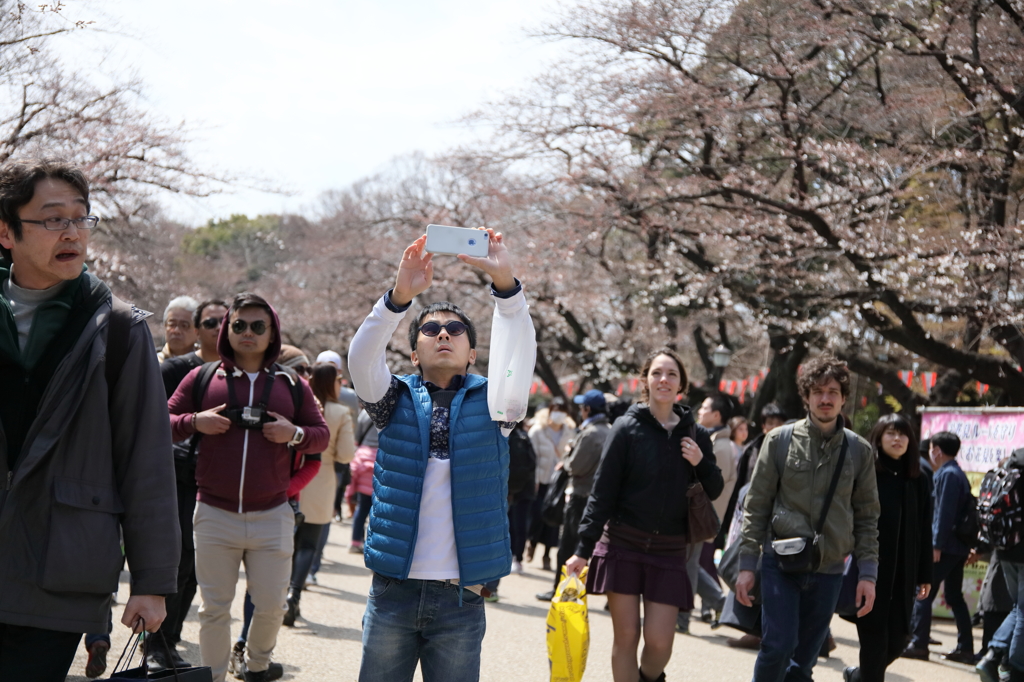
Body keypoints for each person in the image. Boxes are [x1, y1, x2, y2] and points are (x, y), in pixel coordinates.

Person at [0, 158, 180, 681]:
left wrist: (151, 581)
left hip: (59, 572)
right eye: (53, 218)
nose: (72, 232)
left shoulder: (119, 329)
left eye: (81, 218)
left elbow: (146, 461)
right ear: (6, 232)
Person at [347, 228, 535, 682]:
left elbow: (520, 352)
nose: (444, 334)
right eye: (431, 330)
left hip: (461, 595)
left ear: (473, 354)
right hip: (393, 589)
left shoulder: (498, 404)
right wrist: (398, 298)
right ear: (414, 353)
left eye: (456, 330)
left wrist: (506, 286)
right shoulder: (392, 398)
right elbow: (361, 360)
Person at [167, 292, 330, 682]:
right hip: (213, 511)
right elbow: (161, 421)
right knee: (213, 609)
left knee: (272, 605)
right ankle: (214, 676)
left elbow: (320, 436)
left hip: (272, 513)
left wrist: (293, 434)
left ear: (272, 332)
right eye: (239, 325)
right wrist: (195, 422)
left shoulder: (292, 384)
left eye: (258, 326)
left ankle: (257, 665)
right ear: (227, 329)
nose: (248, 333)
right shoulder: (203, 377)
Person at [564, 348, 723, 682]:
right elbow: (602, 492)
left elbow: (716, 488)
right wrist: (582, 549)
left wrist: (701, 462)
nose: (664, 379)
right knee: (626, 637)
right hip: (623, 543)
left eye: (671, 374)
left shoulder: (696, 434)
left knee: (660, 643)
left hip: (669, 549)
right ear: (646, 381)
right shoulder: (625, 427)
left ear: (681, 385)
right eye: (656, 373)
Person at [736, 354, 880, 682]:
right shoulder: (779, 440)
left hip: (830, 568)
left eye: (832, 392)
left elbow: (868, 516)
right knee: (778, 645)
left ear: (844, 398)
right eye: (817, 391)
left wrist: (868, 574)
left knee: (803, 662)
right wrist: (746, 565)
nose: (825, 398)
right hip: (780, 562)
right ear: (806, 397)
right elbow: (756, 505)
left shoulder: (859, 451)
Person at [151, 297, 229, 671]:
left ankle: (169, 639)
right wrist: (194, 422)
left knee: (199, 567)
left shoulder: (237, 375)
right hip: (176, 476)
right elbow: (152, 421)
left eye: (225, 322)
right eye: (210, 322)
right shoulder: (175, 369)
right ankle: (157, 643)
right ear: (198, 329)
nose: (218, 328)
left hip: (217, 481)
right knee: (177, 562)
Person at [843, 413, 933, 682]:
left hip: (904, 574)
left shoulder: (918, 478)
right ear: (879, 438)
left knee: (898, 641)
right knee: (874, 640)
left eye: (903, 434)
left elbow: (924, 528)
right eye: (890, 433)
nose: (897, 439)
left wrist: (925, 574)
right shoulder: (867, 472)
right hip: (871, 570)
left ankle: (857, 676)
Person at [283, 361, 355, 626]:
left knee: (287, 543)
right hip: (321, 482)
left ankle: (279, 593)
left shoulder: (299, 404)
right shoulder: (340, 412)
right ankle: (293, 595)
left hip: (291, 478)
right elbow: (346, 454)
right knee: (308, 544)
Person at [903, 430, 975, 662]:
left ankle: (919, 644)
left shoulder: (948, 475)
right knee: (954, 596)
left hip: (945, 547)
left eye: (932, 448)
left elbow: (944, 513)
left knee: (923, 592)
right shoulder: (955, 473)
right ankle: (965, 648)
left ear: (937, 451)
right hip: (957, 547)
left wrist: (935, 545)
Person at [537, 389, 613, 601]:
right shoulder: (609, 431)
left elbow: (575, 467)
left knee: (568, 548)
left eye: (582, 407)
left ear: (587, 409)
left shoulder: (590, 434)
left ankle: (561, 591)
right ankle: (575, 592)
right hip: (598, 498)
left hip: (580, 496)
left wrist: (567, 456)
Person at [677, 393, 733, 632]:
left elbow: (713, 487)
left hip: (700, 516)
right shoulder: (714, 439)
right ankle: (720, 603)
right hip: (698, 515)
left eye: (706, 408)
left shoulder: (721, 445)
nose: (700, 410)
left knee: (689, 565)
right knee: (688, 563)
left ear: (716, 415)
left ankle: (683, 616)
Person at [976, 447, 1024, 682]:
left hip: (1005, 549)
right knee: (1022, 611)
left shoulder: (1013, 464)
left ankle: (993, 655)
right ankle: (1014, 669)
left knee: (1019, 608)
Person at [527, 397, 575, 570]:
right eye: (556, 410)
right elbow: (530, 458)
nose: (558, 414)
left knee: (554, 519)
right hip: (540, 481)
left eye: (562, 411)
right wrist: (533, 480)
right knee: (537, 516)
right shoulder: (538, 430)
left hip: (559, 483)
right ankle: (532, 543)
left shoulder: (570, 432)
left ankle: (547, 554)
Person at [345, 410, 378, 553]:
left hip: (363, 460)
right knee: (377, 512)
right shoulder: (393, 410)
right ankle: (372, 546)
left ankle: (355, 541)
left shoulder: (365, 413)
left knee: (362, 508)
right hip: (381, 460)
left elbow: (357, 436)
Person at [158, 295, 200, 362]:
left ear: (198, 332)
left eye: (184, 326)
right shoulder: (152, 362)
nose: (176, 331)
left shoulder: (208, 363)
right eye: (172, 324)